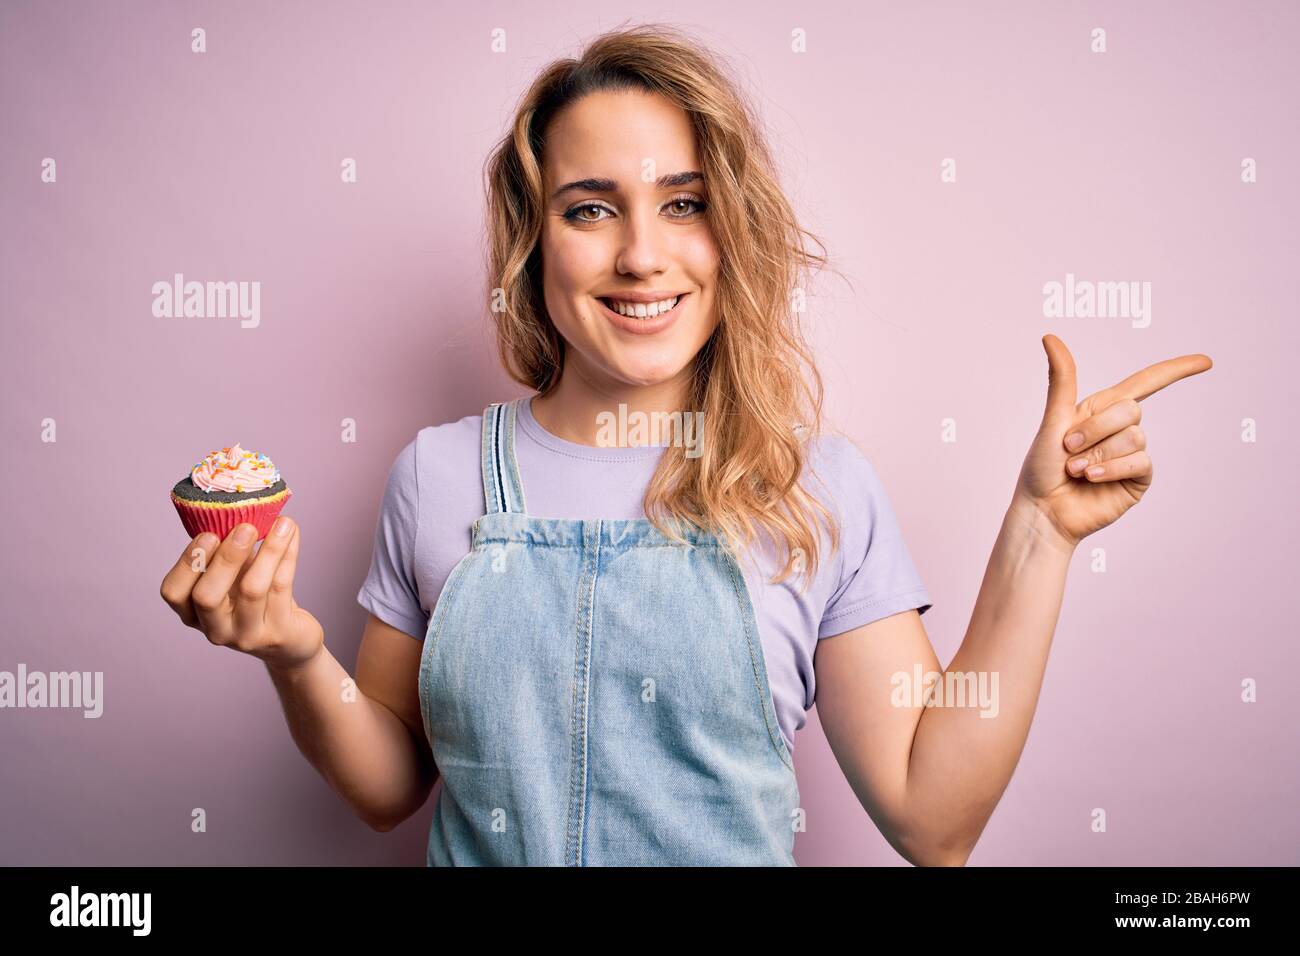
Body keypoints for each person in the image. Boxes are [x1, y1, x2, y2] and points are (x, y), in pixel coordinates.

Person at [159, 24, 1212, 866]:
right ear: (534, 241)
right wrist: (294, 655)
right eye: (588, 209)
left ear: (730, 231)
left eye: (683, 203)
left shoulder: (817, 485)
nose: (640, 255)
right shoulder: (434, 476)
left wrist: (1041, 531)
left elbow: (933, 822)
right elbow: (391, 789)